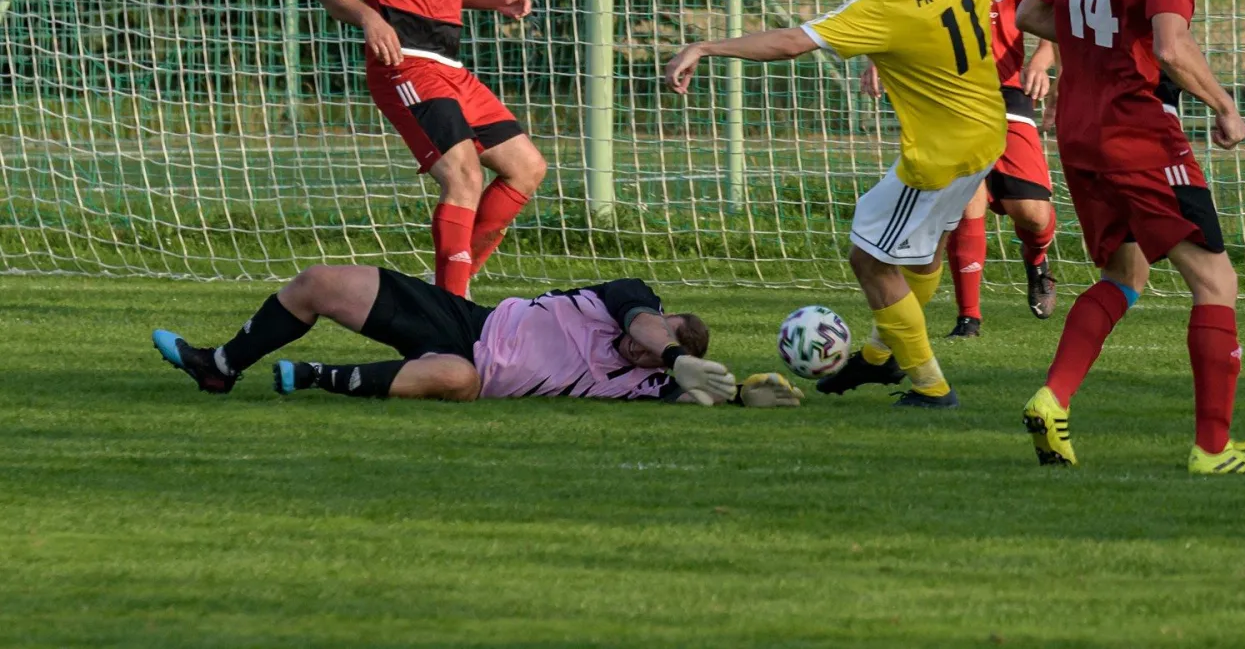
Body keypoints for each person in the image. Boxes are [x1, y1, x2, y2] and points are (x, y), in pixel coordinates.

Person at [664, 0, 1040, 409]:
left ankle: (931, 388)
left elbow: (791, 42)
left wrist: (706, 46)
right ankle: (881, 355)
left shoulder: (886, 3)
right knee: (923, 254)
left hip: (938, 158)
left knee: (870, 261)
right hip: (986, 136)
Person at [1013, 0, 1245, 474]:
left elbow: (1030, 15)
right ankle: (1212, 450)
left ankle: (1053, 397)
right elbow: (1170, 45)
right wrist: (1224, 106)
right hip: (1137, 131)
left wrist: (1094, 43)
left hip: (1077, 131)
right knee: (1216, 281)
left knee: (1124, 276)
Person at [313, 0, 546, 300]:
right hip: (405, 64)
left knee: (527, 168)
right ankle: (453, 308)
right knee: (463, 174)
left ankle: (445, 295)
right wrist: (369, 18)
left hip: (450, 66)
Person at [863, 0, 1059, 337]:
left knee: (1032, 214)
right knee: (965, 198)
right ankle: (968, 318)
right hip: (946, 97)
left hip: (1004, 89)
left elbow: (1051, 4)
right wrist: (876, 60)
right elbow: (889, 9)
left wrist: (1042, 57)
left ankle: (1037, 258)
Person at [151, 265, 802, 408]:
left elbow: (702, 396)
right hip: (469, 321)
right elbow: (645, 323)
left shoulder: (648, 382)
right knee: (320, 282)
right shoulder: (631, 302)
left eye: (660, 355)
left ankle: (319, 376)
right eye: (664, 333)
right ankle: (219, 364)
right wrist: (673, 352)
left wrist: (745, 396)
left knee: (458, 377)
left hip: (478, 373)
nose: (645, 349)